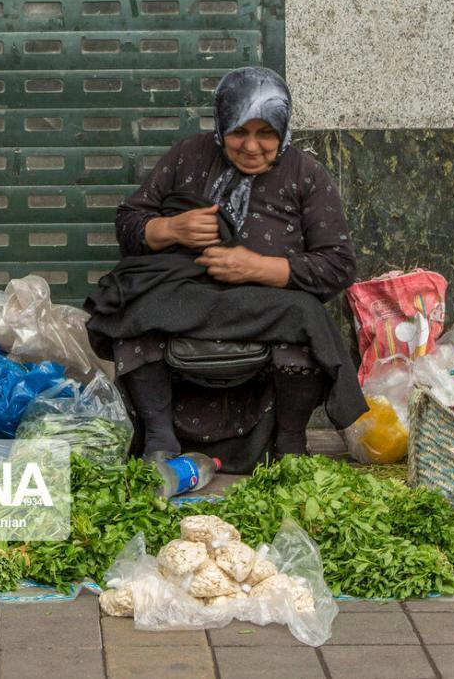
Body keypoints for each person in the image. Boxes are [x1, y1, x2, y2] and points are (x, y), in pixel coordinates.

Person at [85, 67, 365, 468]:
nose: (251, 146)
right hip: (188, 298)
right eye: (239, 132)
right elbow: (128, 221)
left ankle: (289, 444)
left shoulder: (306, 174)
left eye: (265, 133)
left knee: (307, 316)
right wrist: (169, 228)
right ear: (221, 127)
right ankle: (160, 440)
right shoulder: (188, 155)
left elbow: (338, 265)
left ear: (283, 131)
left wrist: (257, 267)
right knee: (129, 306)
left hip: (265, 305)